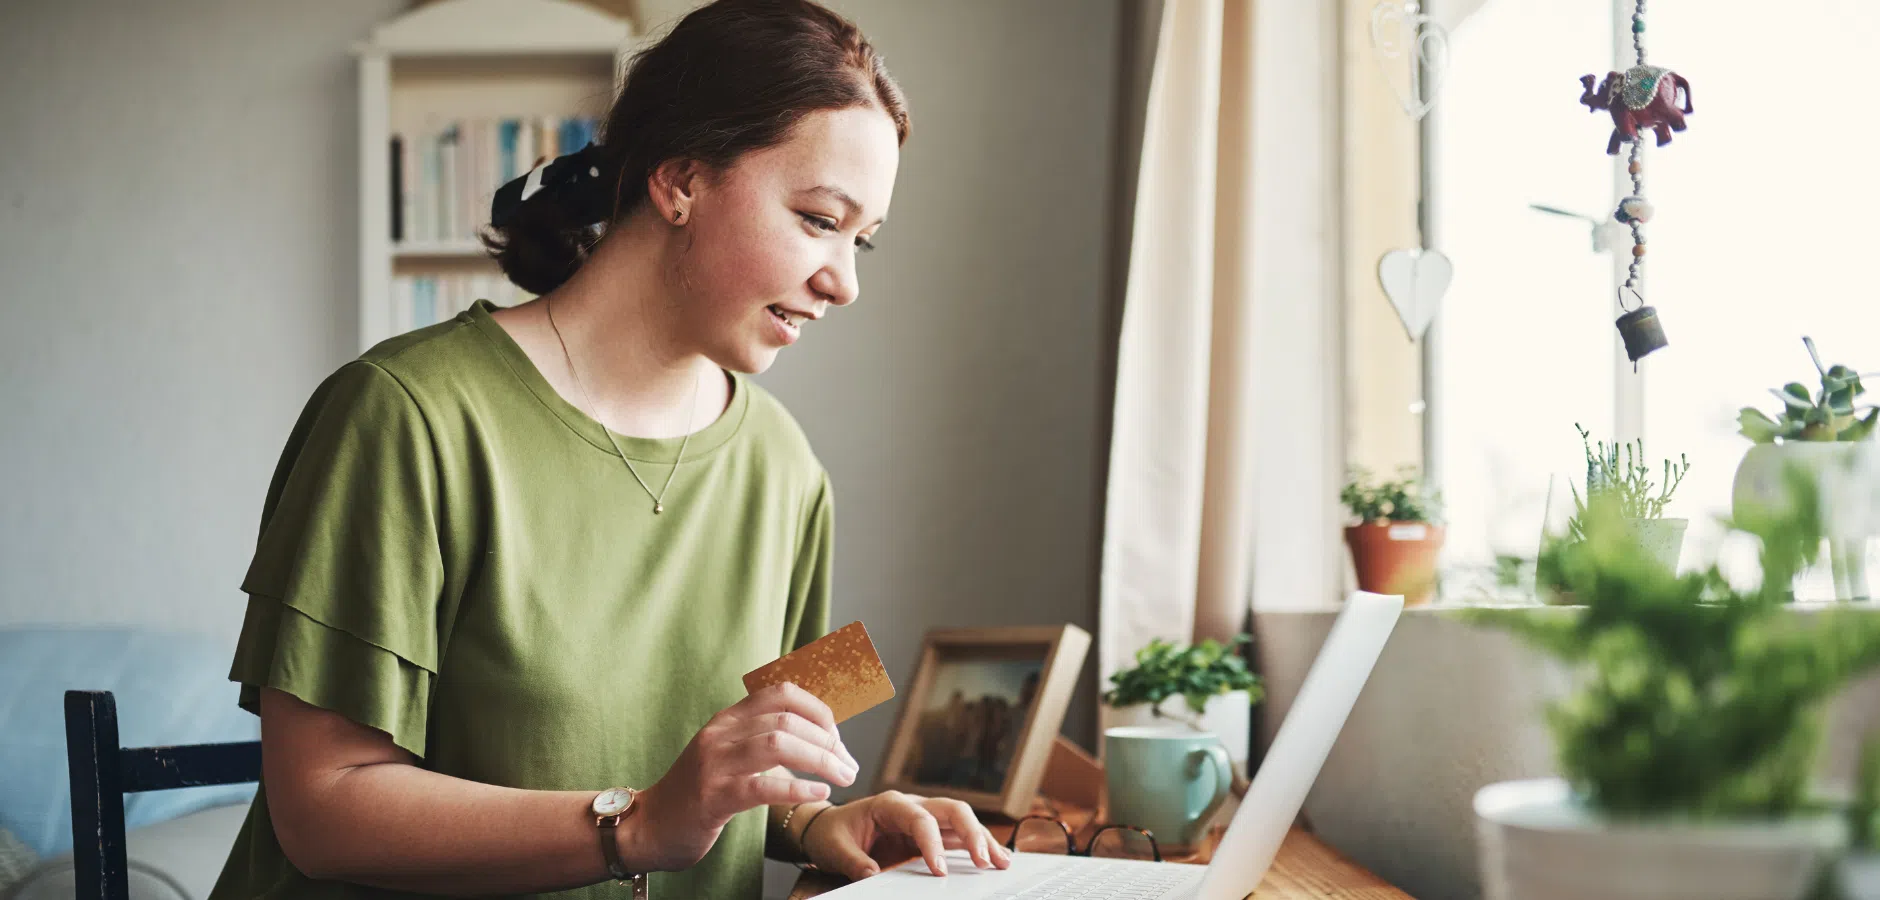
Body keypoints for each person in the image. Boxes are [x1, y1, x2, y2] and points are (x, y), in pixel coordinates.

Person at [208, 1, 1011, 897]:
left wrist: (824, 825)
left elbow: (761, 762)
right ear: (680, 182)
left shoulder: (789, 468)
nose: (846, 282)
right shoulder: (400, 415)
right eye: (820, 219)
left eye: (863, 241)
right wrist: (636, 826)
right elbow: (321, 810)